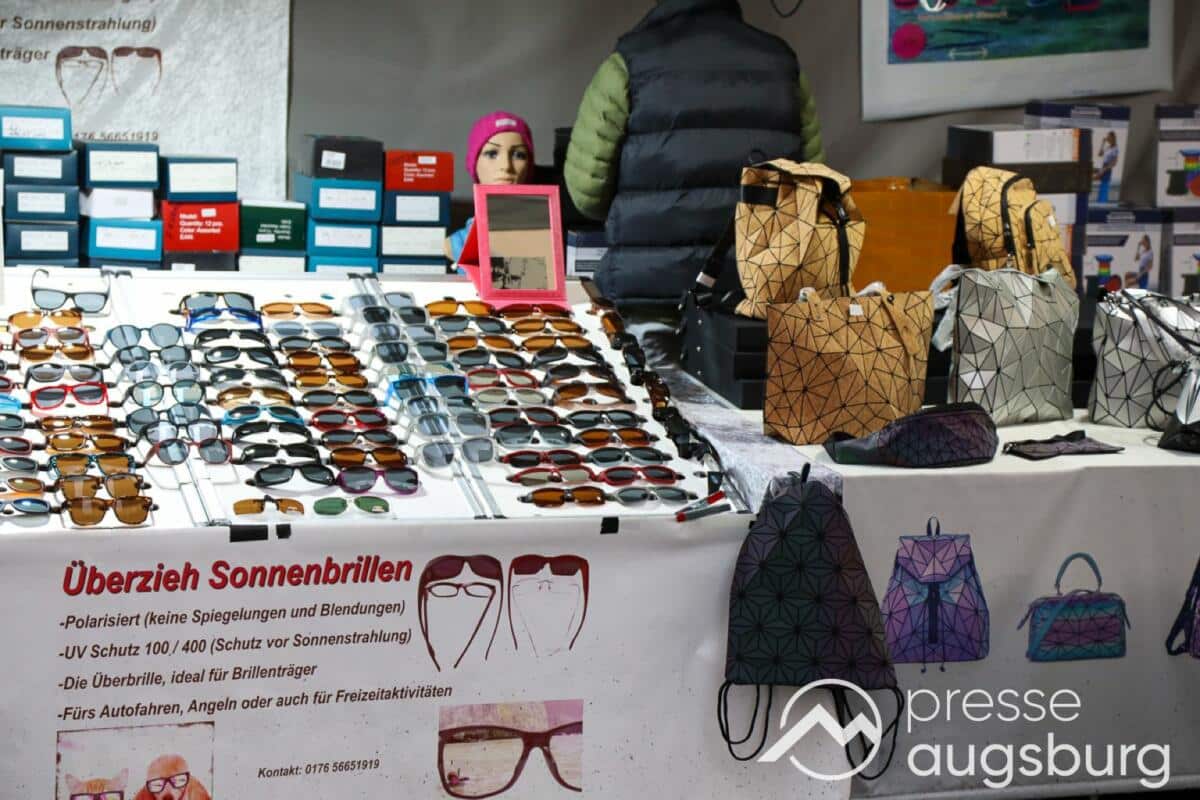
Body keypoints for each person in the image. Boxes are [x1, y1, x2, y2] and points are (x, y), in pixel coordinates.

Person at [563, 0, 824, 331]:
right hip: (757, 298)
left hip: (651, 293)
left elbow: (586, 192)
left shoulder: (628, 64)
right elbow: (815, 188)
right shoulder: (782, 64)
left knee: (649, 364)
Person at [445, 111, 536, 263]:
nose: (506, 166)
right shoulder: (457, 244)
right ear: (474, 164)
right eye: (492, 154)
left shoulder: (543, 238)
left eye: (519, 155)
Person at [1095, 131, 1118, 203]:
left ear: (1112, 137)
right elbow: (1099, 154)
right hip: (1104, 165)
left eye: (1108, 136)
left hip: (1107, 167)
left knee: (1104, 185)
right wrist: (1103, 143)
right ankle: (1100, 201)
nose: (1107, 138)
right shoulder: (1108, 147)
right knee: (1102, 184)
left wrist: (1105, 169)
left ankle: (1102, 201)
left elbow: (1114, 162)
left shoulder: (1115, 148)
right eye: (1107, 136)